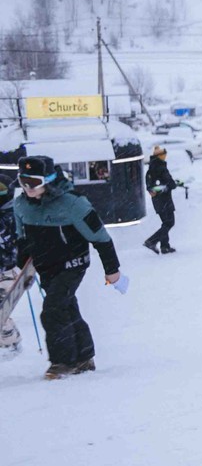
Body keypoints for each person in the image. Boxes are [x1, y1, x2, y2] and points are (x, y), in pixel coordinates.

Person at [12, 156, 125, 379]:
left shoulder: (73, 203)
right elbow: (22, 237)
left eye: (33, 182)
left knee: (53, 310)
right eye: (22, 181)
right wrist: (23, 266)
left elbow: (100, 237)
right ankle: (84, 357)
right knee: (67, 307)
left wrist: (112, 269)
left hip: (72, 264)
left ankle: (62, 362)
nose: (27, 188)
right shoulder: (21, 204)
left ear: (48, 180)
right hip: (46, 266)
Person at [0, 176, 22, 358]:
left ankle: (10, 343)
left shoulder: (11, 215)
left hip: (9, 271)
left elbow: (13, 244)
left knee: (1, 308)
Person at [144, 145, 180, 254]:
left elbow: (149, 186)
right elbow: (170, 183)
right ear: (160, 156)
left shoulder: (151, 169)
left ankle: (165, 246)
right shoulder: (161, 168)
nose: (165, 157)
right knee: (169, 222)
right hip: (165, 201)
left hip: (157, 201)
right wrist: (174, 184)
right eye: (164, 155)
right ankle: (151, 241)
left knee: (165, 222)